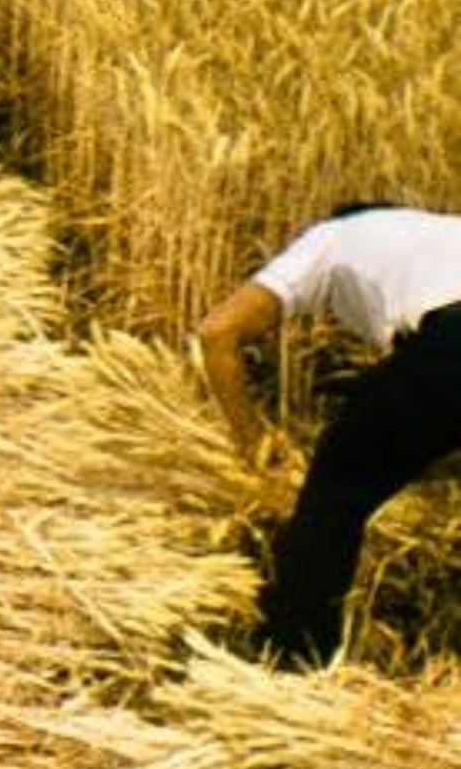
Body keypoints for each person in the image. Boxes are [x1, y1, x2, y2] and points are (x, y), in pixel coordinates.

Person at [195, 203, 461, 664]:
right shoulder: (439, 235)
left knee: (338, 490)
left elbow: (218, 332)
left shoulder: (333, 235)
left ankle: (290, 658)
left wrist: (251, 441)